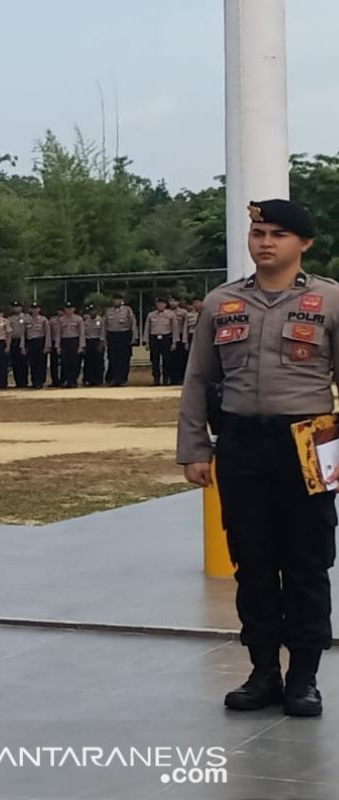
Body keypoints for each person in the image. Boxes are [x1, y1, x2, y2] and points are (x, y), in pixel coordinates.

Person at [179, 198, 337, 718]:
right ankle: (263, 672)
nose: (264, 243)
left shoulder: (329, 301)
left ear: (304, 243)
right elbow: (199, 380)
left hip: (308, 443)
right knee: (253, 562)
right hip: (243, 442)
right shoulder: (222, 302)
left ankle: (304, 679)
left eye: (278, 234)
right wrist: (195, 449)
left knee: (308, 564)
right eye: (258, 233)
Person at [105, 294, 139, 386]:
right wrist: (103, 339)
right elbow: (105, 326)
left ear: (122, 301)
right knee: (113, 358)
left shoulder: (127, 310)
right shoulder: (108, 311)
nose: (116, 301)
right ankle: (114, 378)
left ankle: (123, 379)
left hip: (124, 335)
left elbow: (133, 324)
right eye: (115, 300)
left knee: (124, 358)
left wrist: (134, 337)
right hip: (112, 335)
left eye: (118, 300)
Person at [144, 298, 177, 386]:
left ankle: (166, 379)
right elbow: (147, 328)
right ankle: (156, 379)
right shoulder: (151, 315)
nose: (160, 305)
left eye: (162, 304)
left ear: (165, 305)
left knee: (167, 360)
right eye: (158, 304)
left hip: (166, 338)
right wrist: (146, 342)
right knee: (155, 359)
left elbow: (174, 329)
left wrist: (174, 342)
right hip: (154, 338)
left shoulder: (171, 314)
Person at [57, 302, 85, 388]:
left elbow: (81, 333)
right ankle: (67, 380)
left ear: (74, 309)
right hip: (65, 341)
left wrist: (81, 346)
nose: (69, 310)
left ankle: (73, 380)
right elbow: (58, 334)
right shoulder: (61, 320)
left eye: (70, 308)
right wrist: (58, 346)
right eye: (67, 308)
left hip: (74, 341)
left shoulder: (78, 319)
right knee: (65, 362)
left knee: (75, 362)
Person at [21, 303, 50, 389]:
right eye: (33, 308)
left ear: (39, 309)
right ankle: (34, 381)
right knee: (32, 363)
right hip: (30, 342)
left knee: (41, 363)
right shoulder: (27, 320)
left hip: (40, 341)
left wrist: (47, 346)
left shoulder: (43, 319)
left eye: (36, 308)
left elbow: (47, 333)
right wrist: (22, 346)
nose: (34, 310)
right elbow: (23, 334)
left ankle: (40, 381)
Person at [82, 304, 106, 387]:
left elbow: (103, 332)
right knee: (88, 362)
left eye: (94, 311)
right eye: (90, 311)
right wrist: (83, 345)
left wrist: (101, 343)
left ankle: (98, 380)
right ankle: (88, 379)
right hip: (88, 341)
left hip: (97, 341)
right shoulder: (85, 321)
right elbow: (83, 333)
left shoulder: (101, 320)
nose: (92, 312)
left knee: (99, 362)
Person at [7, 300, 28, 388]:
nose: (16, 308)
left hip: (23, 340)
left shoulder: (26, 317)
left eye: (18, 307)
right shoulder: (10, 319)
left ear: (21, 308)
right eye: (14, 307)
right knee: (15, 362)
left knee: (23, 362)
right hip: (13, 341)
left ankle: (24, 382)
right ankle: (18, 382)